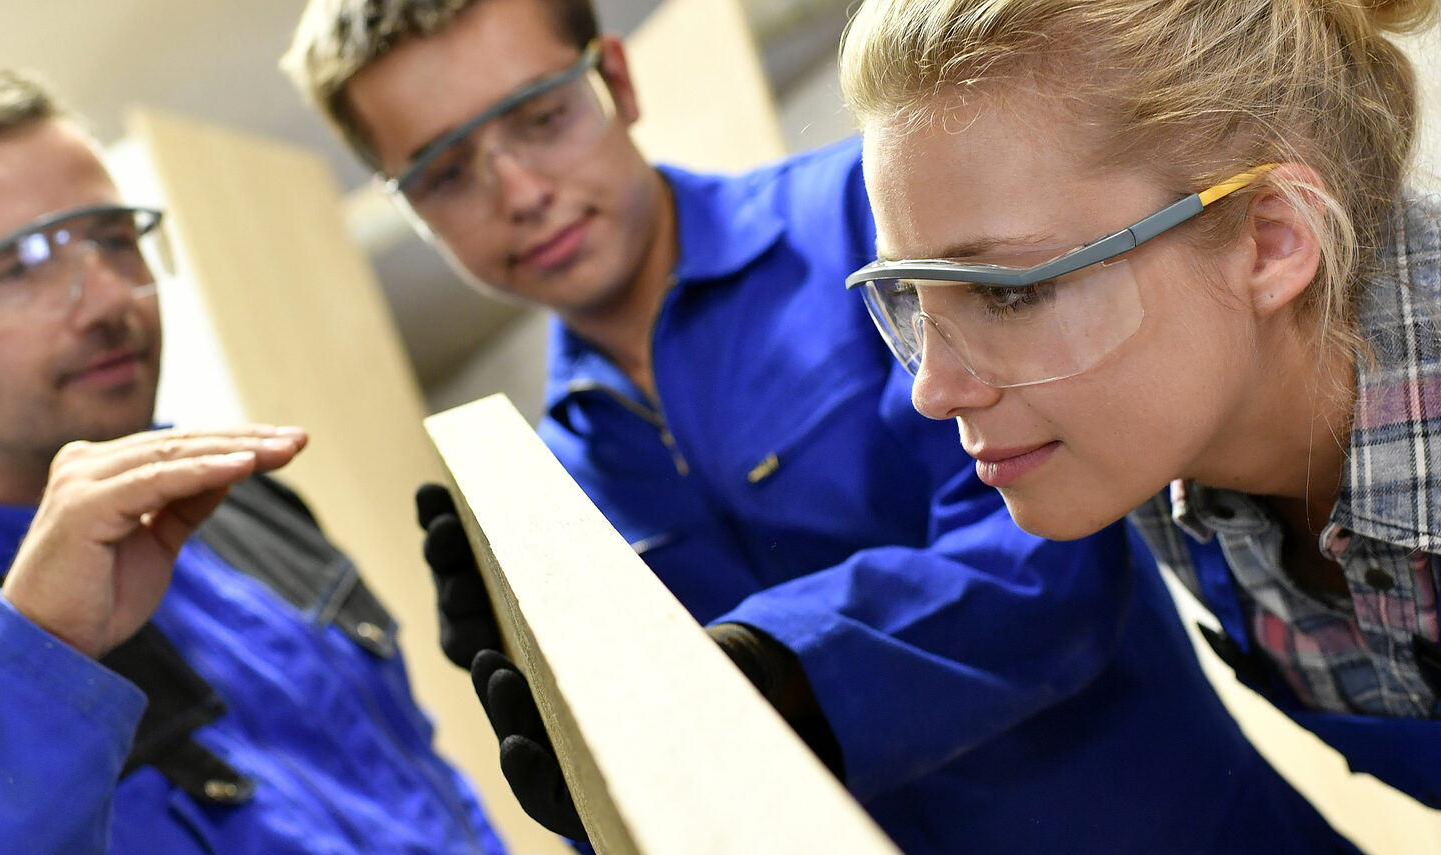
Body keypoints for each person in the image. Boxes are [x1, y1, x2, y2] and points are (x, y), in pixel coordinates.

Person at [283, 1, 1355, 851]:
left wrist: (769, 673)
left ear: (613, 79)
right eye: (445, 173)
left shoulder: (881, 226)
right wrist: (582, 745)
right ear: (412, 210)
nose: (517, 190)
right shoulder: (549, 494)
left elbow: (1050, 569)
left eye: (540, 116)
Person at [839, 0, 1441, 812]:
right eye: (911, 296)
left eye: (1013, 294)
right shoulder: (1157, 456)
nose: (933, 390)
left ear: (1272, 239)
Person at [0, 64, 507, 855]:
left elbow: (419, 789)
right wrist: (35, 655)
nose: (108, 299)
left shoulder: (241, 500)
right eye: (20, 267)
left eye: (112, 238)